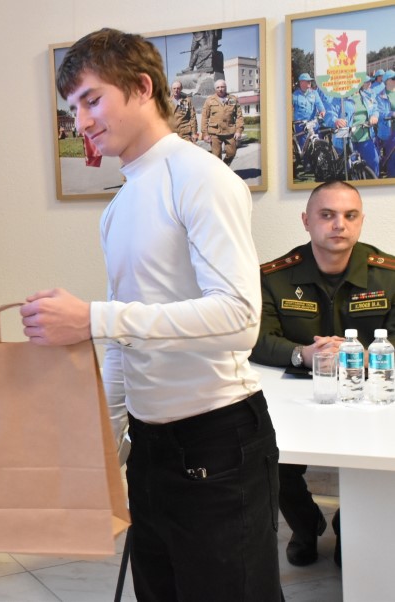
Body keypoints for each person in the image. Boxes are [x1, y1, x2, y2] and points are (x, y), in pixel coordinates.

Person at [20, 28, 280, 601]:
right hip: (150, 447)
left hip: (217, 440)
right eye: (73, 108)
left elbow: (240, 318)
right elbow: (123, 342)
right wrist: (107, 448)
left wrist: (95, 318)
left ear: (141, 87)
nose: (81, 121)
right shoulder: (118, 208)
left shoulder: (202, 177)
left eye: (91, 100)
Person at [250, 180, 395, 568]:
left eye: (350, 215)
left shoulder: (389, 274)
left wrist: (362, 357)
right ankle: (304, 524)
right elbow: (257, 339)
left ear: (361, 221)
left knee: (376, 460)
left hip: (371, 391)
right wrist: (304, 355)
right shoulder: (274, 277)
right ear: (306, 221)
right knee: (269, 454)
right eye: (327, 215)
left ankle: (351, 528)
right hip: (298, 393)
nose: (339, 225)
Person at [201, 79, 244, 166]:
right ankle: (220, 172)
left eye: (222, 87)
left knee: (232, 153)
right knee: (216, 156)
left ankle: (224, 166)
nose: (220, 89)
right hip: (215, 132)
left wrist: (239, 131)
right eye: (218, 87)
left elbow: (239, 116)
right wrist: (205, 134)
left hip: (230, 132)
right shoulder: (209, 100)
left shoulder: (233, 99)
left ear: (226, 87)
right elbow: (204, 117)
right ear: (215, 89)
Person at [292, 73, 326, 173]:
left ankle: (319, 162)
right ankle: (306, 163)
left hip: (313, 123)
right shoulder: (294, 95)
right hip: (300, 124)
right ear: (301, 82)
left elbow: (321, 106)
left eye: (310, 81)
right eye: (307, 81)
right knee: (304, 145)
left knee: (318, 142)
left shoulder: (314, 93)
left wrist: (322, 112)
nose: (309, 83)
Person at [374, 70, 395, 177]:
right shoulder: (380, 96)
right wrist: (391, 114)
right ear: (387, 81)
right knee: (392, 157)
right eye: (393, 79)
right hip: (388, 131)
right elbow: (379, 113)